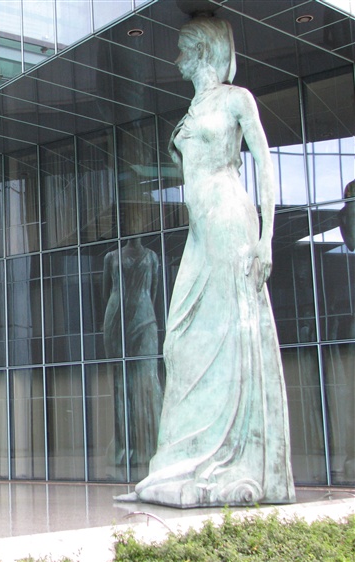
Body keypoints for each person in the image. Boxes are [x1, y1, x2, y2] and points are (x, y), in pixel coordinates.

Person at [120, 16, 295, 507]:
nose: (177, 59)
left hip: (228, 220)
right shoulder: (192, 109)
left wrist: (266, 238)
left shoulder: (236, 99)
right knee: (178, 341)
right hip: (200, 230)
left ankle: (229, 457)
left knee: (229, 333)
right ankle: (180, 460)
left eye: (182, 50)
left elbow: (265, 165)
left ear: (202, 51)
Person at [102, 233, 162, 472]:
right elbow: (106, 292)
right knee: (121, 383)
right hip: (116, 318)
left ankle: (149, 444)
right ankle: (124, 446)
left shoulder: (152, 257)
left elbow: (154, 291)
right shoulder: (111, 257)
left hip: (144, 317)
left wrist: (141, 311)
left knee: (147, 380)